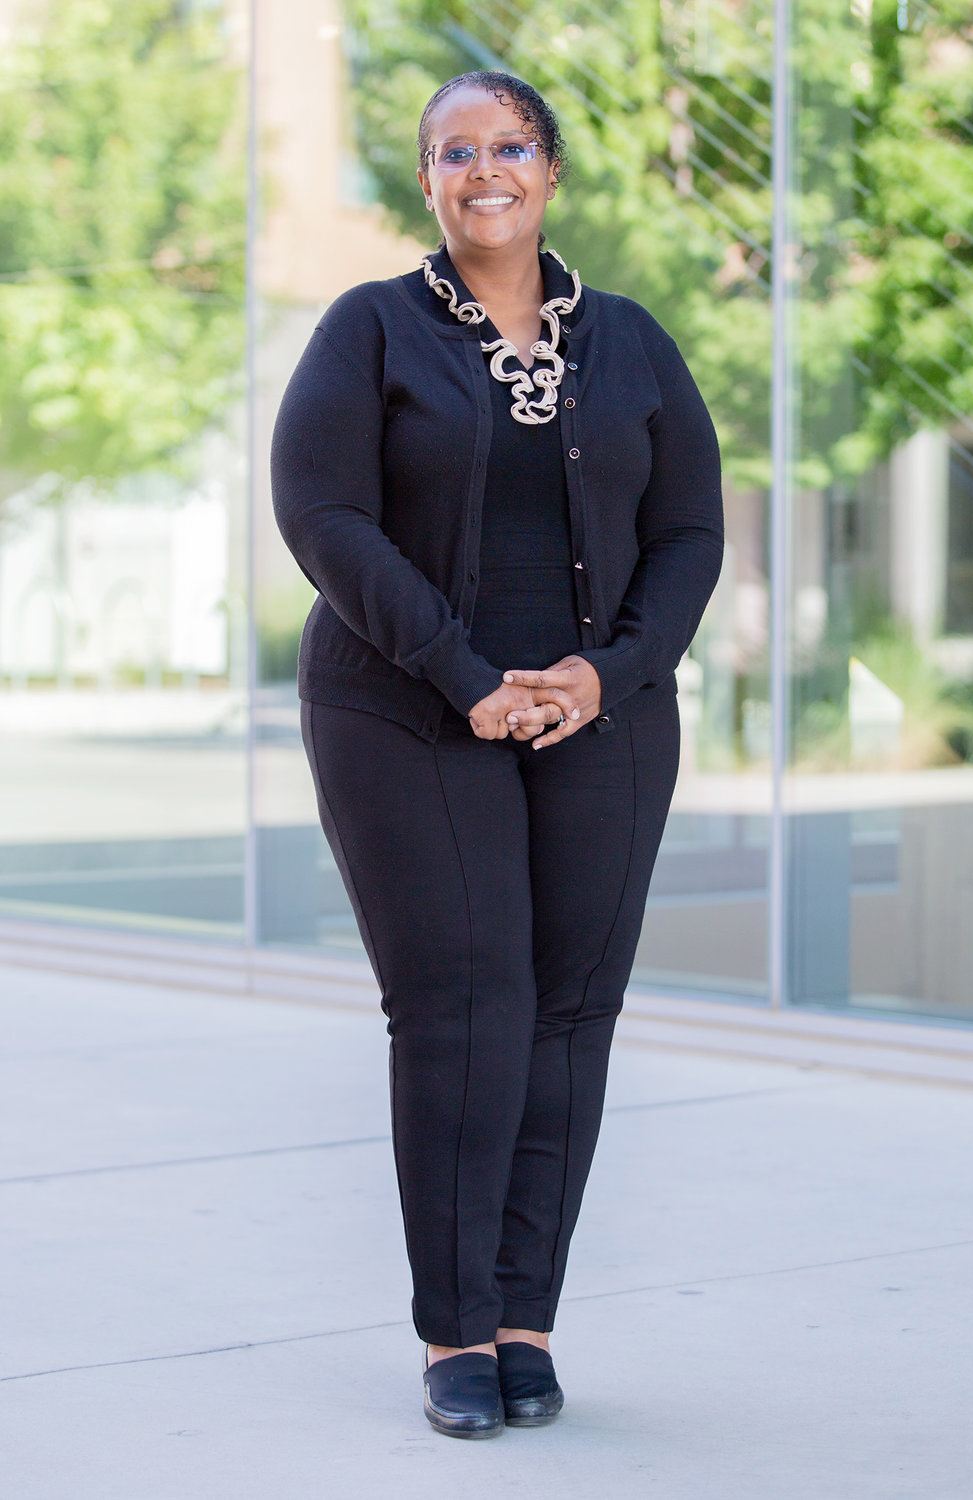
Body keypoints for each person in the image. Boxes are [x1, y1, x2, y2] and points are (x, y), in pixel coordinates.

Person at [271, 69, 724, 1440]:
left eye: (509, 145)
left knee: (571, 1015)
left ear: (551, 169)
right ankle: (454, 1331)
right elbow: (325, 513)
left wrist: (612, 670)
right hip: (403, 707)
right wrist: (467, 677)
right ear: (427, 183)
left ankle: (528, 1319)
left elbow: (693, 532)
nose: (484, 169)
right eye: (453, 152)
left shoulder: (634, 342)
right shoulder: (371, 331)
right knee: (468, 1009)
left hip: (605, 716)